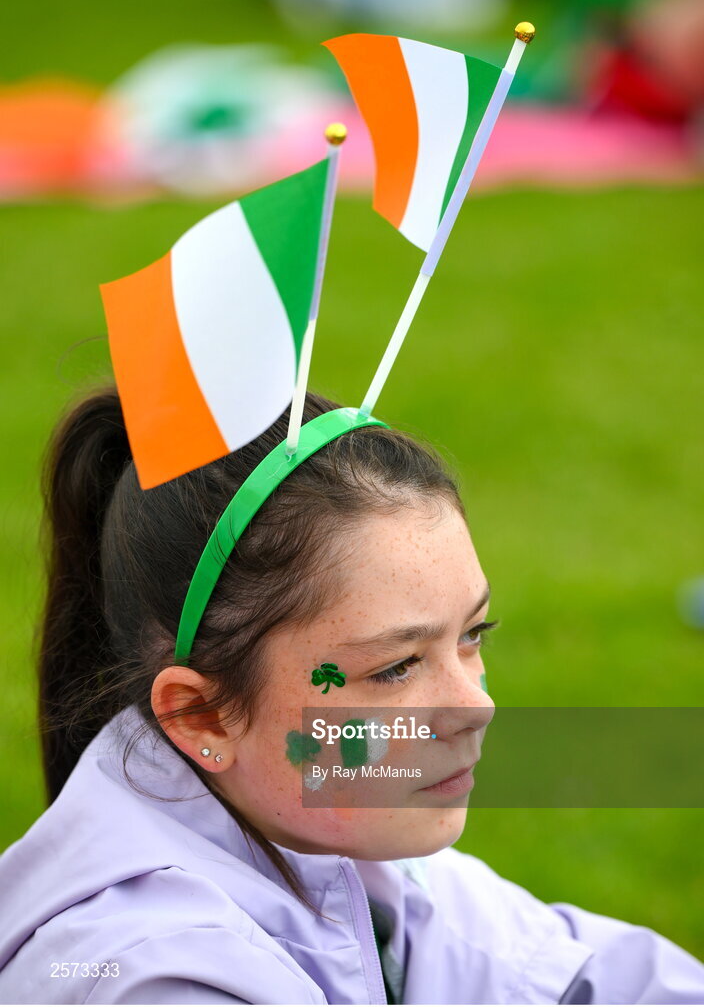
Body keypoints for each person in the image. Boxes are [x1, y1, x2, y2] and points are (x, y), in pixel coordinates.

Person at [0, 383, 702, 1006]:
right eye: (396, 668)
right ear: (201, 715)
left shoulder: (358, 857)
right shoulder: (154, 980)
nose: (476, 706)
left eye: (473, 633)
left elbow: (572, 978)